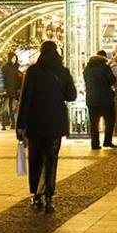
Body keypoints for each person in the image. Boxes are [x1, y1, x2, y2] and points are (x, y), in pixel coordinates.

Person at [16, 40, 77, 213]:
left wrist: (21, 125)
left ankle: (36, 194)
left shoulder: (33, 71)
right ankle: (49, 196)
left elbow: (25, 99)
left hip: (36, 122)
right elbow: (71, 95)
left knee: (35, 158)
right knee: (51, 159)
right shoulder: (62, 71)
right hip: (56, 122)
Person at [84, 50, 117, 150]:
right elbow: (112, 80)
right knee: (109, 120)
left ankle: (95, 143)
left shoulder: (87, 68)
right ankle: (107, 141)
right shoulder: (104, 67)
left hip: (91, 99)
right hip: (105, 98)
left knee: (93, 123)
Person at [1, 52, 22, 130]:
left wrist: (18, 89)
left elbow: (18, 80)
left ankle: (13, 124)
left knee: (12, 108)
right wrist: (3, 89)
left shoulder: (16, 68)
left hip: (13, 91)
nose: (14, 59)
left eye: (15, 58)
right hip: (6, 91)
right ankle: (3, 124)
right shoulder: (5, 68)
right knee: (4, 108)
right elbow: (2, 79)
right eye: (13, 58)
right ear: (9, 58)